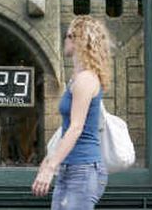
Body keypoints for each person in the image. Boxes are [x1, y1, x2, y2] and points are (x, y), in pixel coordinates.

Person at [32, 15, 111, 209]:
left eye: (68, 36)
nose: (64, 41)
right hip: (70, 167)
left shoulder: (85, 80)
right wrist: (50, 159)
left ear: (79, 40)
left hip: (83, 170)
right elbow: (66, 128)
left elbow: (76, 128)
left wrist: (51, 168)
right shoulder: (76, 79)